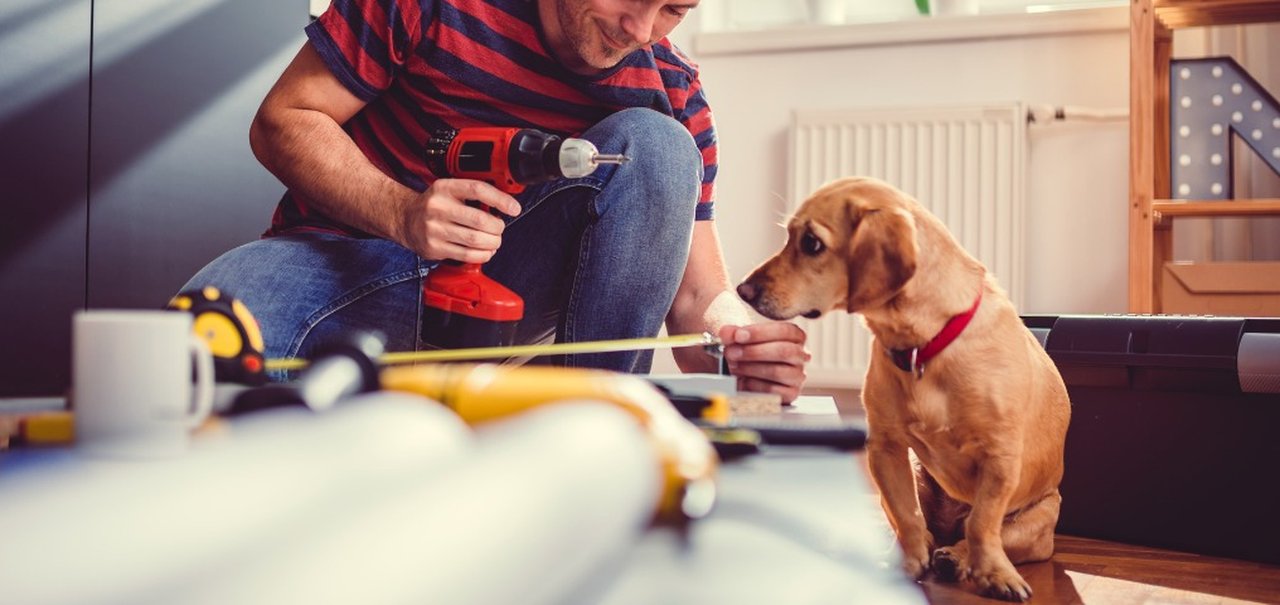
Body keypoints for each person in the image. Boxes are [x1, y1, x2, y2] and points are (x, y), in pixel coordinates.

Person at [183, 0, 811, 401]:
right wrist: (402, 211)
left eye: (673, 9)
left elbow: (697, 299)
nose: (640, 30)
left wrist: (740, 349)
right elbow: (284, 118)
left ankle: (592, 426)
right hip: (338, 262)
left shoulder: (672, 87)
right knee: (199, 340)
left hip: (501, 299)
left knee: (659, 144)